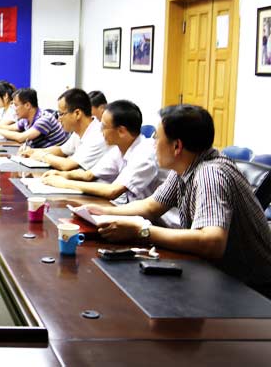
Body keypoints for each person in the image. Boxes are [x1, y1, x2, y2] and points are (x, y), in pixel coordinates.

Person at [82, 104, 271, 296]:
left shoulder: (210, 174)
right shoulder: (186, 166)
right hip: (218, 276)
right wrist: (102, 212)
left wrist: (142, 232)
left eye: (157, 138)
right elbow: (151, 206)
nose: (153, 144)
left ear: (177, 146)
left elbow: (212, 242)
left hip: (251, 290)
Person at [41, 100, 163, 203]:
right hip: (130, 208)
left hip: (156, 220)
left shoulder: (144, 153)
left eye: (104, 127)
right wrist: (62, 175)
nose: (100, 131)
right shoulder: (119, 148)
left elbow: (112, 191)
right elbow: (89, 175)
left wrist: (64, 183)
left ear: (121, 131)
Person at [21, 88, 109, 171]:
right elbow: (61, 150)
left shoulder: (97, 135)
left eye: (61, 114)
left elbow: (67, 165)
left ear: (77, 114)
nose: (59, 119)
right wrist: (33, 151)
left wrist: (43, 156)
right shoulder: (79, 131)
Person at [0, 88, 68, 149]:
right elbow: (10, 128)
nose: (14, 109)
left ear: (27, 105)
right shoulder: (25, 119)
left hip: (53, 157)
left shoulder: (44, 119)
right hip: (40, 154)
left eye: (16, 105)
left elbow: (21, 137)